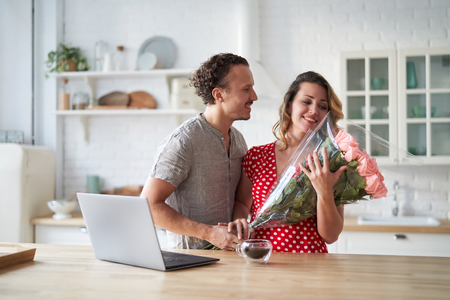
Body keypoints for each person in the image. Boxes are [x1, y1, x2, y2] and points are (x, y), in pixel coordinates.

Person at [140, 53, 258, 250]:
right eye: (246, 89)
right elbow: (149, 206)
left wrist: (239, 223)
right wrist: (210, 233)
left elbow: (238, 199)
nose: (254, 96)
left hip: (230, 258)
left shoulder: (238, 140)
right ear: (219, 95)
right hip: (189, 262)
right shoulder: (184, 141)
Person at [228, 71, 347, 253]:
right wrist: (240, 220)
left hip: (311, 264)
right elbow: (243, 203)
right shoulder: (256, 156)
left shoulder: (330, 162)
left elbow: (330, 236)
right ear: (290, 105)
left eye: (322, 106)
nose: (314, 110)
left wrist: (324, 191)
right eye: (306, 102)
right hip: (261, 259)